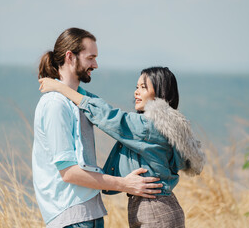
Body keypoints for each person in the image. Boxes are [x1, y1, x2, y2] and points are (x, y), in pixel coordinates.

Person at [38, 66, 206, 227]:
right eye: (137, 86)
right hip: (161, 206)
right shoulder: (165, 125)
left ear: (159, 94)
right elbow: (102, 108)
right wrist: (71, 90)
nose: (136, 91)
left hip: (154, 208)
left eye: (143, 87)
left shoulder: (147, 126)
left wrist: (60, 88)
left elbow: (107, 116)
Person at [32, 28, 163, 228]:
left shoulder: (82, 100)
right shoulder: (55, 104)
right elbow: (69, 173)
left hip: (90, 214)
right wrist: (125, 184)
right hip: (71, 217)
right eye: (90, 58)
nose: (95, 64)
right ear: (70, 56)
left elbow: (111, 117)